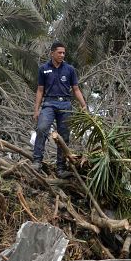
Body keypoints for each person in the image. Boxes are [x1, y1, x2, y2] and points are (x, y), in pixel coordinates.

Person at [32, 41, 87, 178]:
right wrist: (36, 110)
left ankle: (61, 168)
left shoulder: (69, 69)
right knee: (42, 128)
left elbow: (76, 89)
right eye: (59, 53)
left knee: (64, 136)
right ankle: (37, 161)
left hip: (65, 105)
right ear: (52, 53)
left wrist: (83, 105)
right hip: (49, 103)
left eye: (63, 53)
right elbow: (39, 90)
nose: (62, 55)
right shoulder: (43, 69)